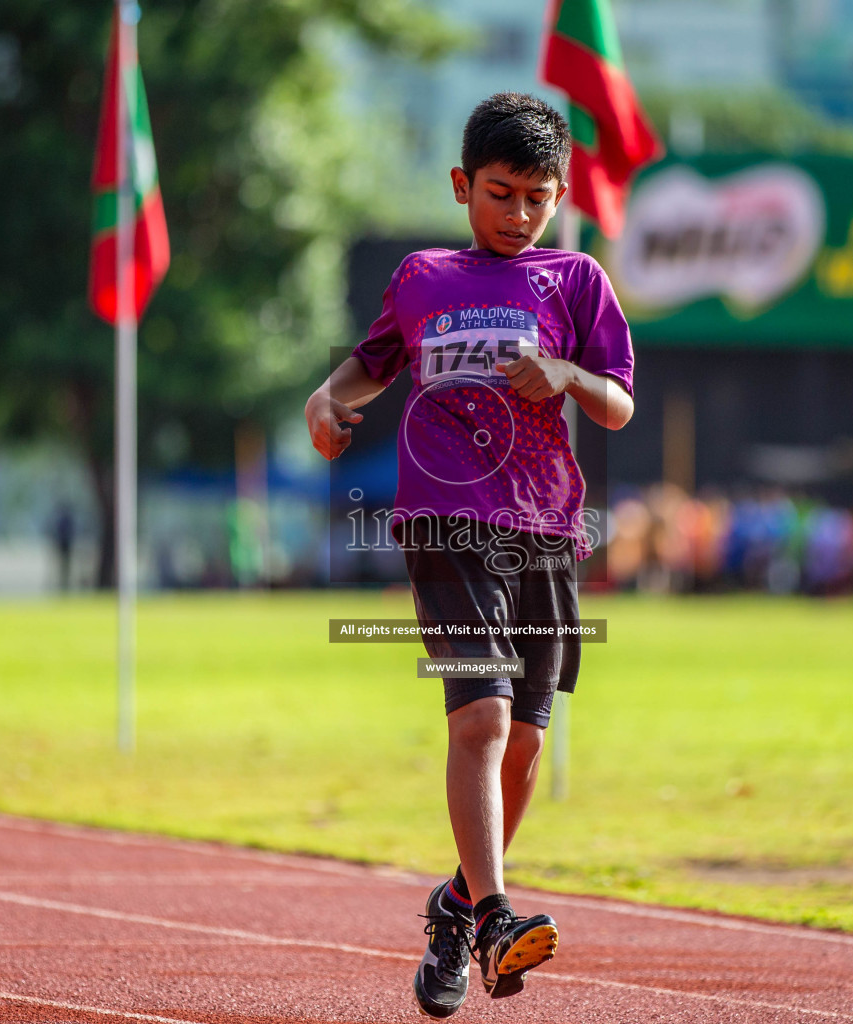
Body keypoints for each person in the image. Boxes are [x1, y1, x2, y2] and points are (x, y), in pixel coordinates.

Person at [304, 93, 634, 1017]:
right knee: (480, 723)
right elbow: (372, 362)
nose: (518, 215)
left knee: (527, 739)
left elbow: (618, 404)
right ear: (461, 186)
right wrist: (322, 404)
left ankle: (454, 906)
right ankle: (493, 914)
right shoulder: (422, 276)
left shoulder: (577, 281)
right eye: (500, 194)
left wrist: (568, 375)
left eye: (537, 198)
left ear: (560, 196)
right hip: (447, 522)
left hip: (547, 529)